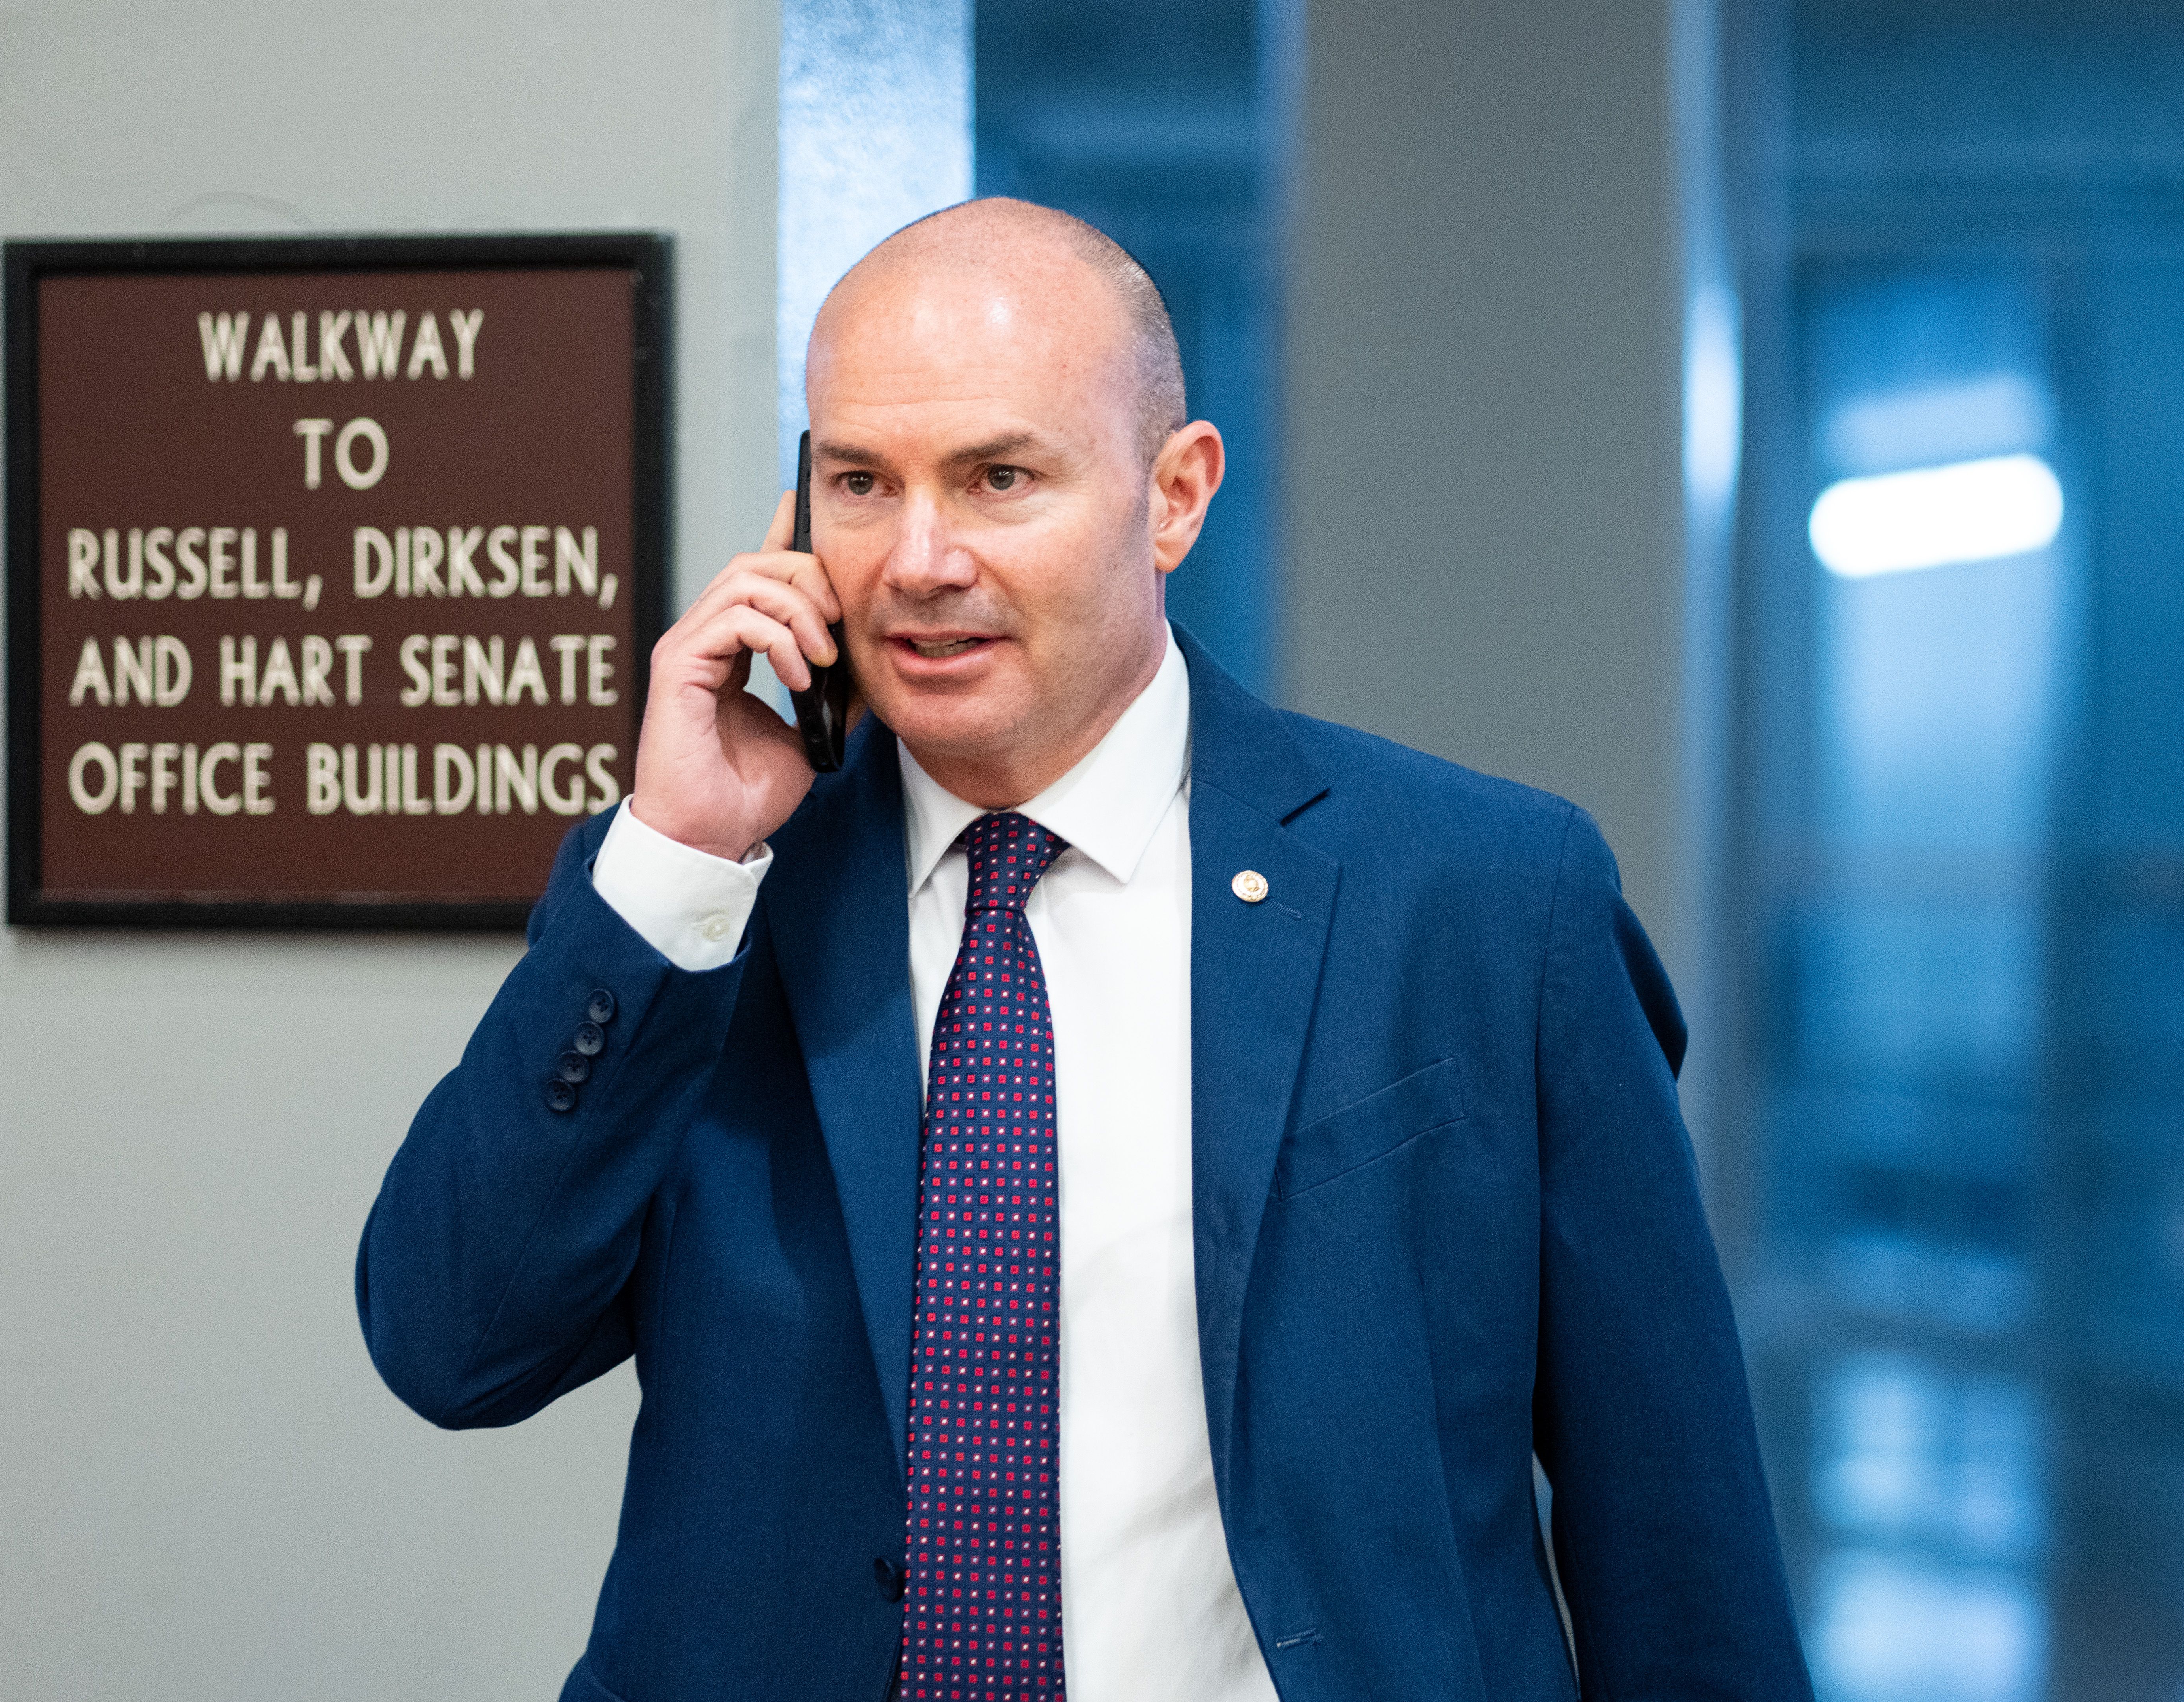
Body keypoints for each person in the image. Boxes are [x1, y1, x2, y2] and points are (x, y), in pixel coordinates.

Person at [357, 197, 1810, 1702]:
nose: (919, 559)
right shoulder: (703, 910)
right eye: (862, 482)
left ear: (1173, 495)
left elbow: (1676, 1538)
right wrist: (674, 862)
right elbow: (453, 1344)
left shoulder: (1487, 902)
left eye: (999, 478)